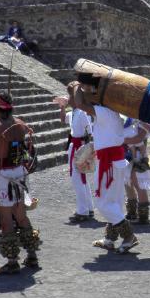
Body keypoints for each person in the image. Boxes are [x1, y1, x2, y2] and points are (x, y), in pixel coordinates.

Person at [0, 90, 41, 275]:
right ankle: (32, 255)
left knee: (5, 218)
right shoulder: (20, 124)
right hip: (19, 173)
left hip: (3, 175)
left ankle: (12, 262)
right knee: (21, 215)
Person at [71, 83, 139, 254]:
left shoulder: (104, 111)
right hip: (115, 161)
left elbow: (79, 104)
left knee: (103, 203)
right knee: (113, 202)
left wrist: (78, 86)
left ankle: (129, 236)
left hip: (110, 163)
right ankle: (110, 239)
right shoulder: (110, 111)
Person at [59, 85, 94, 223]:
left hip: (80, 147)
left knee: (77, 178)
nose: (68, 99)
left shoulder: (82, 113)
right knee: (80, 178)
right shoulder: (73, 112)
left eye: (70, 96)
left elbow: (89, 132)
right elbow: (63, 119)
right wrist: (62, 106)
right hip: (74, 146)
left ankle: (83, 211)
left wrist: (87, 152)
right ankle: (88, 208)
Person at [123, 117, 150, 225]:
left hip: (139, 156)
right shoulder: (127, 118)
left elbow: (139, 138)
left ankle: (143, 215)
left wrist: (123, 140)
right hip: (127, 154)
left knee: (139, 183)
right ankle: (132, 212)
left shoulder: (144, 120)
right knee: (127, 182)